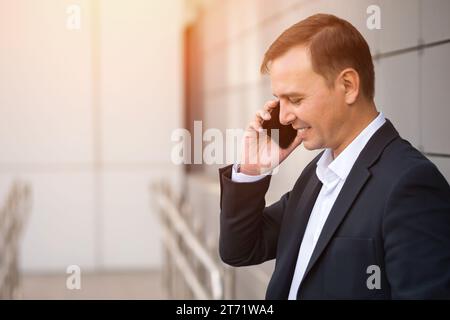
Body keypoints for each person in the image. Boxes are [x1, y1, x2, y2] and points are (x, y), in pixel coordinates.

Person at [218, 13, 450, 299]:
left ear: (348, 86)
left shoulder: (410, 185)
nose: (285, 115)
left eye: (296, 99)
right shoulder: (317, 174)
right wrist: (253, 170)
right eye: (280, 100)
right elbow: (240, 250)